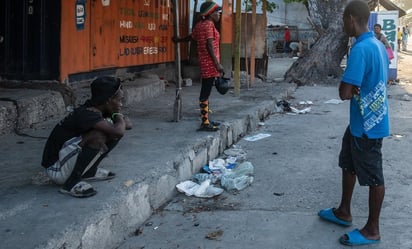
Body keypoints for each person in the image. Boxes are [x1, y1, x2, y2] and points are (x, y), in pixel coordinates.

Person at [318, 0, 389, 246]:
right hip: (363, 121)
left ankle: (372, 229)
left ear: (350, 19)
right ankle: (343, 211)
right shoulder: (377, 44)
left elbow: (344, 92)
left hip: (368, 125)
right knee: (348, 163)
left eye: (343, 21)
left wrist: (349, 86)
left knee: (374, 176)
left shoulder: (360, 49)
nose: (342, 25)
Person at [41, 76, 132, 198]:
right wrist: (118, 115)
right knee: (98, 136)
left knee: (111, 132)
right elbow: (119, 130)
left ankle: (89, 171)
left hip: (65, 160)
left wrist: (117, 117)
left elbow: (128, 125)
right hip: (56, 168)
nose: (121, 104)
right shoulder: (87, 114)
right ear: (108, 100)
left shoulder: (99, 109)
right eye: (119, 100)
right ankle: (70, 183)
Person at [173, 1, 224, 131]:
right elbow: (209, 45)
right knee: (205, 93)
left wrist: (179, 40)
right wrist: (217, 64)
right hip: (210, 64)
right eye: (217, 12)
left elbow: (191, 37)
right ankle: (205, 123)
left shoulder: (200, 25)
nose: (219, 14)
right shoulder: (208, 25)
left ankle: (206, 119)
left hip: (206, 62)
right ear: (210, 13)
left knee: (206, 92)